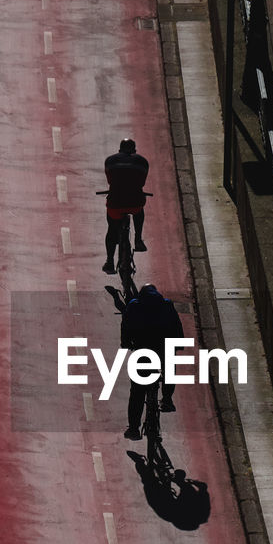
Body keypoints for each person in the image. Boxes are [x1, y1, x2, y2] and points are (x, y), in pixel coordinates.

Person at [120, 284, 183, 440]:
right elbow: (176, 326)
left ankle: (134, 428)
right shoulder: (166, 304)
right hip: (164, 349)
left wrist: (126, 343)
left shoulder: (134, 306)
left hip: (143, 351)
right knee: (170, 367)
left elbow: (125, 327)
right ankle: (167, 399)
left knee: (137, 391)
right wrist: (178, 344)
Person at [102, 137, 149, 274]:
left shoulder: (110, 161)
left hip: (115, 203)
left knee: (111, 229)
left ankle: (110, 262)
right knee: (139, 211)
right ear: (134, 150)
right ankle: (138, 239)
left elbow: (110, 180)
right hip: (135, 203)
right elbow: (142, 183)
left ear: (120, 149)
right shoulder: (142, 162)